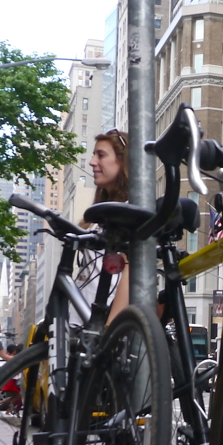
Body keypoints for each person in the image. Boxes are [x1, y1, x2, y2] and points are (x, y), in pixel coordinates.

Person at [86, 128, 131, 323]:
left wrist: (110, 331)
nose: (92, 162)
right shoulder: (101, 214)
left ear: (122, 161)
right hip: (84, 328)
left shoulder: (130, 211)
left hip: (104, 330)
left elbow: (132, 271)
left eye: (101, 155)